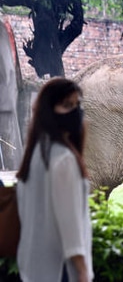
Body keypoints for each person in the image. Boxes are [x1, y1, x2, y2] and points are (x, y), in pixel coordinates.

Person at [16, 78, 93, 282]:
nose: (76, 112)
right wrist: (82, 270)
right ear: (49, 111)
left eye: (78, 105)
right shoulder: (64, 160)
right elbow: (70, 223)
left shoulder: (34, 155)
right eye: (67, 105)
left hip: (34, 267)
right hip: (62, 269)